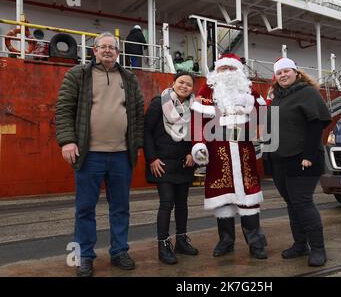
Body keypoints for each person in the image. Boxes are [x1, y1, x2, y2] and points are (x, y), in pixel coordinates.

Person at [55, 32, 144, 277]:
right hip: (89, 155)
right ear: (93, 51)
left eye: (112, 47)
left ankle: (119, 251)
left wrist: (136, 144)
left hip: (121, 155)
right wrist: (67, 141)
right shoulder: (78, 75)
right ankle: (84, 256)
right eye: (102, 47)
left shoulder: (129, 78)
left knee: (120, 207)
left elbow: (137, 113)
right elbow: (64, 109)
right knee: (85, 208)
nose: (107, 50)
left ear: (118, 52)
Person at [190, 53, 268, 259]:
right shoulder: (208, 90)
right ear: (218, 71)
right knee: (222, 198)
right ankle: (226, 241)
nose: (227, 73)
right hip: (218, 151)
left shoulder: (249, 89)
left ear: (238, 71)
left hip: (244, 150)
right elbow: (198, 119)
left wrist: (250, 101)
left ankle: (256, 243)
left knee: (249, 196)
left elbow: (263, 114)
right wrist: (199, 144)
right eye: (223, 69)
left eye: (231, 69)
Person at [268, 57, 331, 267]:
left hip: (302, 158)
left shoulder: (307, 93)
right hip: (280, 159)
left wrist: (308, 156)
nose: (283, 75)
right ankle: (300, 245)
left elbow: (316, 125)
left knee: (302, 203)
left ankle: (318, 249)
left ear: (296, 72)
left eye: (287, 71)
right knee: (292, 204)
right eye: (279, 73)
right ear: (275, 78)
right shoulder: (277, 98)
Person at [143, 71, 199, 265]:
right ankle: (163, 245)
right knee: (167, 203)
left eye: (189, 84)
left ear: (193, 88)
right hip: (162, 162)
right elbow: (147, 131)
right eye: (181, 82)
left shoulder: (195, 107)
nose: (184, 86)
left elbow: (197, 134)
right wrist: (152, 159)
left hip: (184, 163)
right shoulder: (159, 103)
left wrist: (194, 153)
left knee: (182, 203)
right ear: (173, 83)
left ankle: (181, 240)